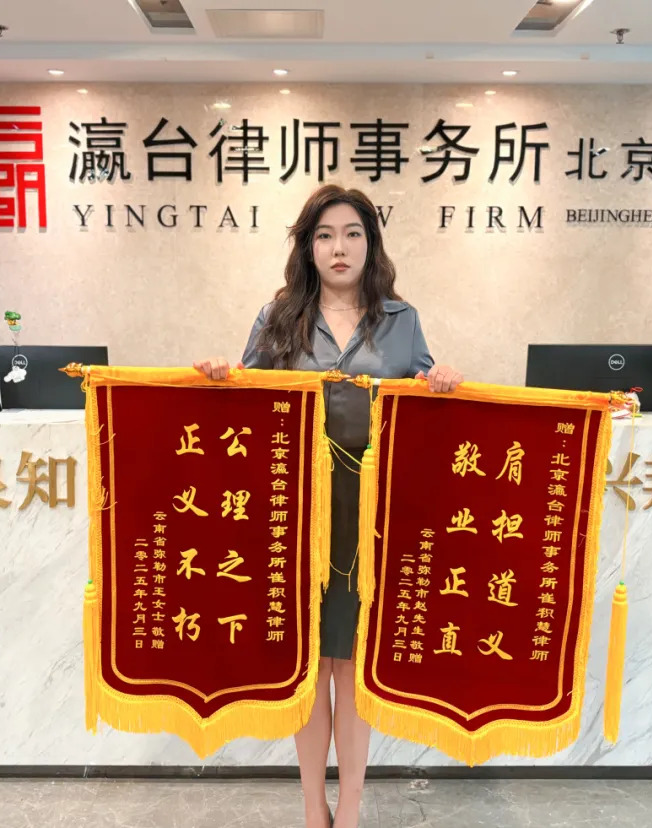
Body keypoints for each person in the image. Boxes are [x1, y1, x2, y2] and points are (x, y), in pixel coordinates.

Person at [195, 184, 462, 828]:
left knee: (354, 667)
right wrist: (219, 377)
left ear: (371, 244)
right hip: (298, 516)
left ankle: (352, 808)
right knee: (311, 663)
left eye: (352, 234)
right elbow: (250, 401)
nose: (338, 247)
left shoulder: (401, 319)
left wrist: (441, 382)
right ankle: (314, 808)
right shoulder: (278, 317)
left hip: (371, 516)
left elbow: (421, 405)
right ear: (308, 247)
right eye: (324, 235)